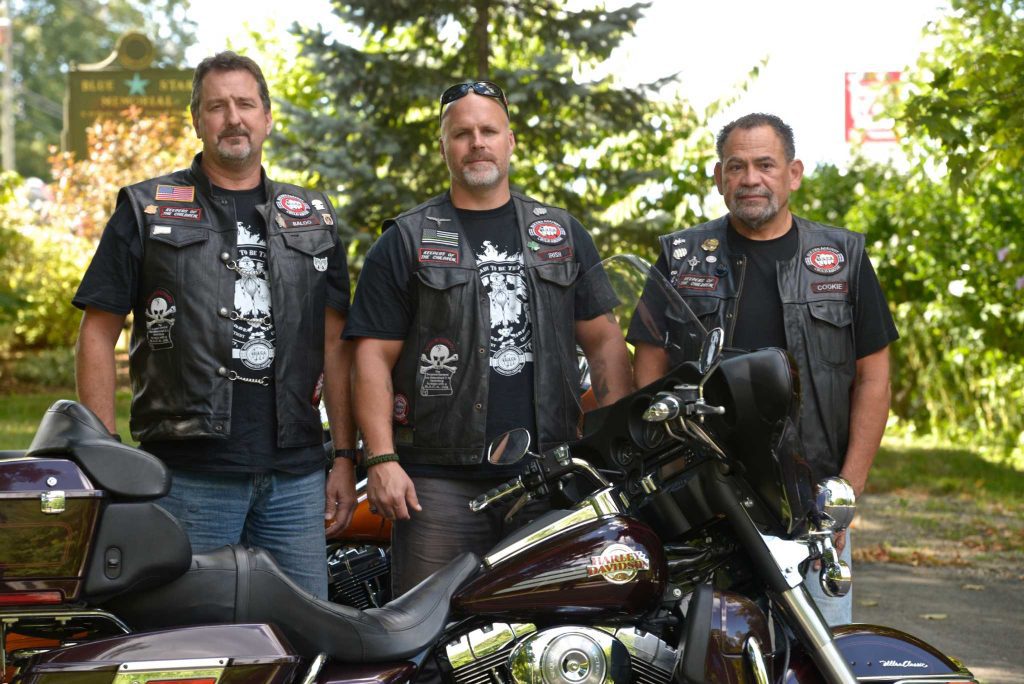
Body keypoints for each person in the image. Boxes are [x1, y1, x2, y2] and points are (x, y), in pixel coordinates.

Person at [72, 51, 357, 600]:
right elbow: (97, 331)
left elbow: (335, 344)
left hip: (296, 477)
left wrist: (344, 457)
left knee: (303, 634)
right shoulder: (147, 208)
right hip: (189, 475)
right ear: (197, 120)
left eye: (245, 104)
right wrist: (105, 453)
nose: (233, 118)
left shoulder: (313, 217)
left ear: (267, 118)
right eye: (217, 106)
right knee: (193, 635)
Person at [344, 80, 633, 596]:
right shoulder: (405, 240)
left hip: (549, 478)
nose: (477, 143)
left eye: (489, 131)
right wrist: (382, 459)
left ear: (510, 141)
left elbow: (605, 344)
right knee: (427, 627)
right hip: (438, 484)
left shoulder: (562, 234)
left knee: (547, 627)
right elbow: (370, 358)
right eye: (462, 134)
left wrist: (620, 447)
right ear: (444, 146)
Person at [633, 113, 897, 624]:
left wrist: (845, 492)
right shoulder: (680, 257)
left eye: (765, 165)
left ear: (793, 174)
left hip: (810, 499)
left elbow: (875, 379)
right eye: (736, 166)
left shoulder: (843, 257)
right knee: (709, 646)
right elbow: (647, 371)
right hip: (704, 496)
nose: (750, 178)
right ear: (719, 178)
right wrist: (666, 470)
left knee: (818, 650)